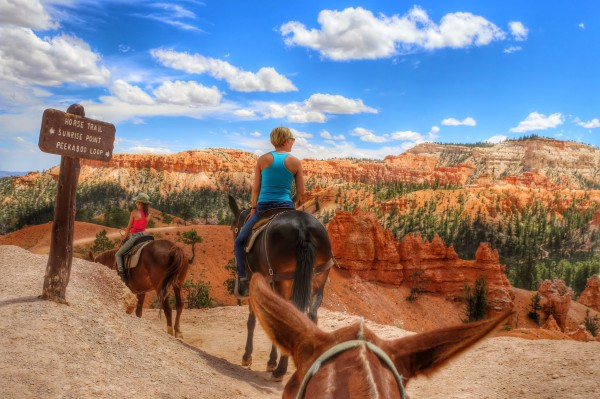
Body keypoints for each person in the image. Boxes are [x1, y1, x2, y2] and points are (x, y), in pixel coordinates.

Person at [234, 126, 305, 297]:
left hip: (263, 209)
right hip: (286, 209)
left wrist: (253, 209)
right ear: (287, 140)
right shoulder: (295, 162)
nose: (293, 143)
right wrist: (291, 203)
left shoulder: (263, 160)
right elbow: (302, 193)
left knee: (239, 241)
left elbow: (256, 190)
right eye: (293, 140)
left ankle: (243, 279)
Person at [115, 192, 150, 283]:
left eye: (136, 202)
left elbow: (129, 227)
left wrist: (124, 237)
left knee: (118, 254)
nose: (135, 203)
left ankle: (122, 275)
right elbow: (143, 226)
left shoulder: (134, 212)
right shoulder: (147, 214)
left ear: (140, 203)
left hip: (135, 236)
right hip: (145, 235)